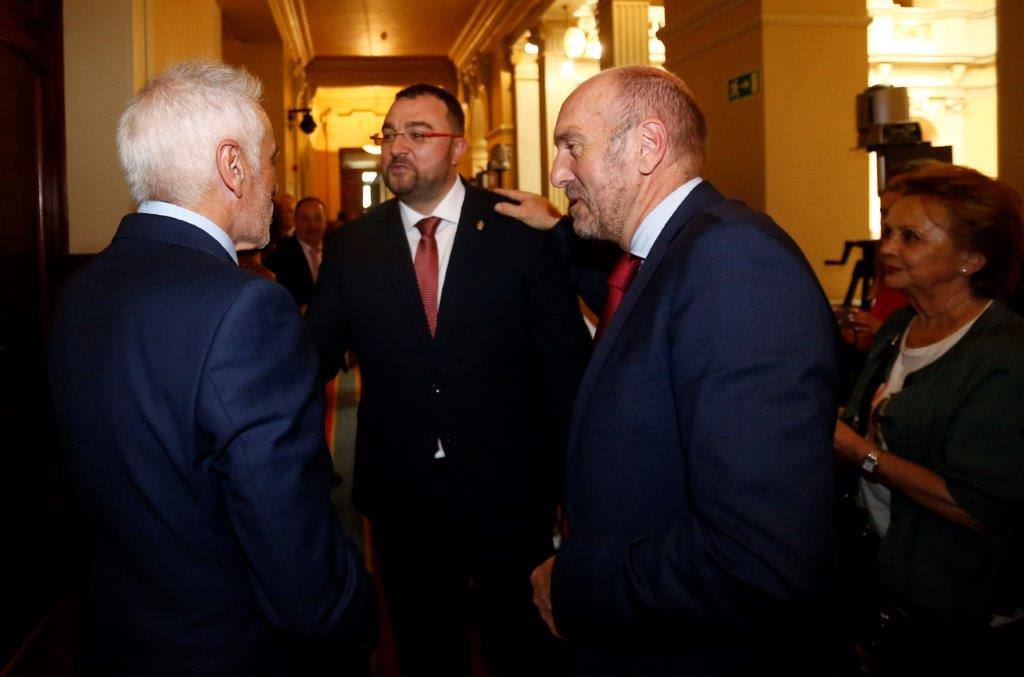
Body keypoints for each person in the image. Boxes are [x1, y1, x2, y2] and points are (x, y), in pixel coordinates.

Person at [499, 66, 838, 675]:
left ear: (648, 146)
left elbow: (759, 559)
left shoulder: (735, 264)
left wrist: (577, 583)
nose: (556, 172)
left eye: (572, 145)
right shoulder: (672, 253)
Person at [48, 61, 376, 676]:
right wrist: (357, 615)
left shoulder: (81, 289)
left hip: (119, 637)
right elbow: (293, 555)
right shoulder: (245, 305)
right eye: (271, 160)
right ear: (234, 166)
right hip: (232, 649)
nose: (276, 183)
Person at [305, 84, 590, 676]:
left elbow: (565, 370)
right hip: (403, 497)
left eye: (417, 134)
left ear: (458, 146)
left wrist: (578, 490)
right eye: (389, 134)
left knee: (519, 646)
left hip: (509, 493)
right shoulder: (354, 245)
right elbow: (311, 355)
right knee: (423, 648)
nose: (396, 149)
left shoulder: (517, 232)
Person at [834, 163, 1024, 673]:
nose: (888, 247)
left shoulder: (1003, 357)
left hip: (956, 613)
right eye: (889, 231)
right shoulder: (900, 326)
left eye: (911, 237)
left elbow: (978, 506)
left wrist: (856, 450)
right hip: (886, 590)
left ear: (972, 258)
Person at [266, 196, 327, 309]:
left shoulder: (336, 251)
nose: (312, 224)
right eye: (305, 218)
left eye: (317, 218)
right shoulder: (280, 256)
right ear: (295, 221)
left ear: (325, 221)